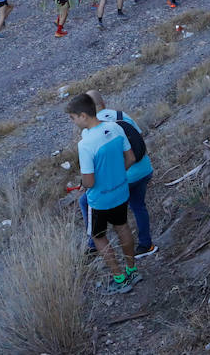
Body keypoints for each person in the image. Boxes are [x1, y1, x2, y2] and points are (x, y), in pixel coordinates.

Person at [65, 93, 141, 294]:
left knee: (98, 236)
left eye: (72, 118)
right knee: (123, 227)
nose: (73, 122)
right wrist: (116, 176)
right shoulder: (115, 127)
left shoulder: (85, 144)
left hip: (99, 199)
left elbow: (89, 181)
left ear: (83, 116)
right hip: (121, 191)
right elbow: (131, 157)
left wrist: (82, 185)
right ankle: (132, 270)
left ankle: (120, 279)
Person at [84, 92, 158, 258]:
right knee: (138, 205)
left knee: (86, 201)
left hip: (124, 175)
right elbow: (139, 138)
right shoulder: (120, 115)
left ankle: (93, 243)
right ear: (103, 102)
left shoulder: (93, 127)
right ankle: (147, 245)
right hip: (144, 168)